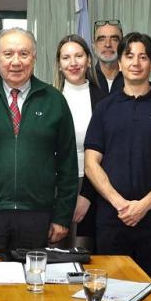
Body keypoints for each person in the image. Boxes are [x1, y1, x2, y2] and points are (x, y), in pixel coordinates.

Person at [0, 28, 77, 257]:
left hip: (38, 214)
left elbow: (68, 165)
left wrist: (62, 217)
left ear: (34, 57)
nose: (16, 62)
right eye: (8, 54)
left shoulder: (54, 100)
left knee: (34, 278)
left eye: (24, 54)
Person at [84, 32, 151, 290]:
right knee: (111, 293)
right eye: (129, 56)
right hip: (112, 220)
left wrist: (144, 205)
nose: (136, 63)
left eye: (143, 57)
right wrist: (120, 204)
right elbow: (91, 164)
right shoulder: (104, 108)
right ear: (119, 63)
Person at [53, 34, 107, 250]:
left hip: (91, 185)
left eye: (79, 56)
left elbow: (108, 153)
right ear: (59, 64)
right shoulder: (48, 97)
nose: (73, 63)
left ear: (89, 60)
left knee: (82, 253)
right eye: (66, 58)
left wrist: (86, 196)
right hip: (53, 187)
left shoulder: (103, 100)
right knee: (53, 253)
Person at [92, 19, 125, 94]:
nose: (108, 44)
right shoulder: (84, 80)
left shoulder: (132, 80)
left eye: (114, 39)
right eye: (101, 39)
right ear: (94, 46)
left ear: (122, 45)